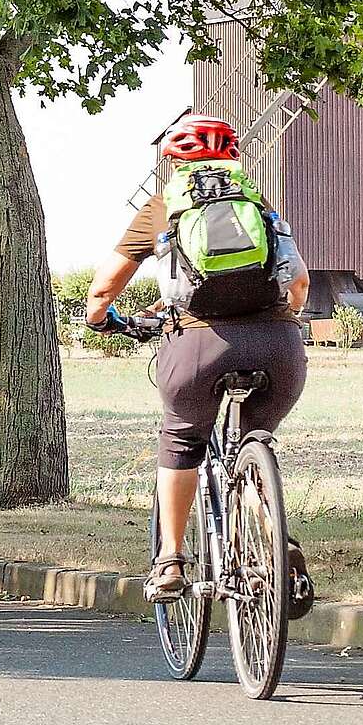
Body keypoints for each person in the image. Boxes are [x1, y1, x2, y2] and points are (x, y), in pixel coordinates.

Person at [84, 114, 314, 613]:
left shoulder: (163, 207)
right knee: (256, 438)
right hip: (278, 348)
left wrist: (101, 319)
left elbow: (103, 290)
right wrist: (280, 320)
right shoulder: (259, 205)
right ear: (234, 157)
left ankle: (169, 559)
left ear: (172, 160)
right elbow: (299, 284)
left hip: (197, 347)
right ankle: (275, 542)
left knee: (183, 437)